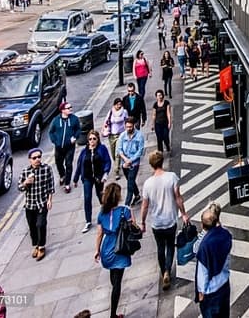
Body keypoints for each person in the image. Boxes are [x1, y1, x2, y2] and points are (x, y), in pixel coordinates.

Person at [140, 151, 190, 291]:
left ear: (151, 165)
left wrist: (143, 222)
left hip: (157, 222)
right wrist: (184, 214)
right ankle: (168, 269)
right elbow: (178, 198)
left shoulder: (148, 184)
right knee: (170, 246)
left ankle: (164, 272)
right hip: (170, 219)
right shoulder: (172, 177)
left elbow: (144, 206)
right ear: (162, 162)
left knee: (160, 248)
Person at [94, 183, 136, 318]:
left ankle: (114, 290)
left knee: (113, 275)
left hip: (107, 248)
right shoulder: (124, 210)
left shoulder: (102, 213)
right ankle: (113, 314)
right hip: (120, 248)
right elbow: (134, 228)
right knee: (117, 281)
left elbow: (99, 233)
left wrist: (97, 250)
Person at [17, 147, 55, 261]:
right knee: (32, 227)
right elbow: (19, 187)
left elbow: (51, 186)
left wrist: (50, 200)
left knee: (41, 224)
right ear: (30, 160)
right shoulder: (25, 171)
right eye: (34, 158)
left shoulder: (47, 169)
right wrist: (26, 183)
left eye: (39, 157)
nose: (37, 159)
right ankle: (36, 246)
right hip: (30, 204)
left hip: (42, 203)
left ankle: (42, 247)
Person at [195, 206, 232, 317]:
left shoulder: (204, 247)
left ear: (202, 225)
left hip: (211, 293)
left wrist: (201, 293)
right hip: (224, 285)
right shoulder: (225, 235)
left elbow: (203, 274)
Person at [73, 130, 112, 233]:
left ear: (98, 139)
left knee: (101, 197)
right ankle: (88, 221)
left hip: (99, 177)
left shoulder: (102, 149)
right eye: (90, 139)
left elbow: (107, 161)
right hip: (87, 177)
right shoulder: (84, 151)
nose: (92, 141)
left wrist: (105, 174)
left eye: (94, 139)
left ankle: (107, 214)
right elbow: (79, 165)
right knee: (87, 198)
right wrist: (75, 179)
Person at [48, 102, 81, 193]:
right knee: (58, 163)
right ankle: (62, 175)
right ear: (62, 110)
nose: (70, 109)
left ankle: (67, 184)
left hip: (70, 147)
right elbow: (51, 132)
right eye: (68, 108)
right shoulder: (56, 120)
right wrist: (55, 141)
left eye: (70, 107)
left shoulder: (74, 119)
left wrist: (75, 137)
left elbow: (78, 129)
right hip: (59, 147)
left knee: (69, 164)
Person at [117, 118, 145, 206]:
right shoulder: (122, 136)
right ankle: (137, 195)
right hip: (124, 163)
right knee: (131, 180)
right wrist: (125, 159)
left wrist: (130, 160)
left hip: (134, 164)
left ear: (133, 126)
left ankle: (126, 205)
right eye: (127, 127)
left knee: (130, 184)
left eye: (130, 127)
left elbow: (140, 151)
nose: (128, 128)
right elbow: (119, 149)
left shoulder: (139, 136)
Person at [103, 98, 128, 180]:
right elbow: (106, 121)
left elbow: (127, 121)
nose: (119, 106)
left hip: (120, 135)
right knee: (113, 154)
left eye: (120, 104)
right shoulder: (111, 112)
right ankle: (117, 164)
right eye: (117, 104)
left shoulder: (124, 112)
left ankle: (116, 171)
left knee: (117, 153)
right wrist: (104, 128)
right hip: (112, 135)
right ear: (114, 105)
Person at [152, 90, 172, 155]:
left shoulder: (166, 103)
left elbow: (168, 113)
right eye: (158, 96)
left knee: (165, 136)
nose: (159, 97)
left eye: (160, 95)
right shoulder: (155, 105)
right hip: (157, 124)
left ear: (162, 95)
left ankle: (167, 145)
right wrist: (152, 124)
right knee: (159, 138)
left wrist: (169, 122)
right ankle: (160, 152)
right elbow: (154, 115)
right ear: (156, 97)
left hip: (165, 123)